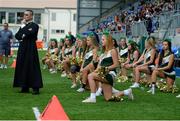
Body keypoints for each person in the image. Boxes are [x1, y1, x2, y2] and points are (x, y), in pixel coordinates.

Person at [82, 32, 134, 103]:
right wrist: (96, 70)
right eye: (101, 39)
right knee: (108, 98)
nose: (101, 41)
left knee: (90, 76)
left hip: (110, 74)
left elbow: (116, 65)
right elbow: (99, 66)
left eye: (103, 39)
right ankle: (127, 92)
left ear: (108, 40)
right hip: (103, 74)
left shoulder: (113, 51)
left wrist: (106, 69)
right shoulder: (103, 53)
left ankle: (92, 98)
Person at [13, 10, 43, 95]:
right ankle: (24, 86)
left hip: (31, 48)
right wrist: (23, 28)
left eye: (26, 15)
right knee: (22, 65)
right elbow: (17, 36)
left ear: (31, 16)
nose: (24, 16)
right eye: (24, 15)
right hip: (22, 48)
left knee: (32, 67)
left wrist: (23, 30)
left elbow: (29, 33)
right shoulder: (23, 26)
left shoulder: (35, 25)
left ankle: (35, 87)